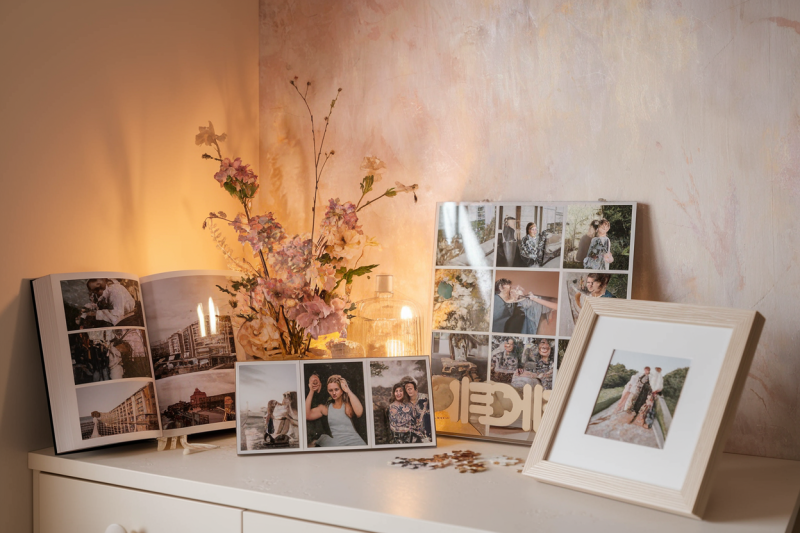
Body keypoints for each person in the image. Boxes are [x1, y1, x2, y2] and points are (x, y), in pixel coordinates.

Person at [306, 374, 366, 447]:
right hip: (338, 444)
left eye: (336, 389)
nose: (334, 393)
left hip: (356, 442)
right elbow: (307, 415)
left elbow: (359, 413)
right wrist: (311, 391)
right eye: (330, 390)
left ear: (342, 389)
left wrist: (348, 390)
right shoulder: (326, 408)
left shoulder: (348, 404)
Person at [493, 278, 558, 335]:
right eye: (512, 288)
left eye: (517, 288)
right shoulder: (499, 302)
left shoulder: (530, 301)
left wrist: (534, 298)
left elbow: (556, 306)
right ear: (501, 287)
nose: (514, 289)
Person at [304, 373, 332, 443]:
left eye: (316, 380)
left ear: (320, 382)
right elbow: (306, 415)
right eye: (311, 381)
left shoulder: (328, 394)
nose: (314, 382)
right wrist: (311, 391)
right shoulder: (308, 395)